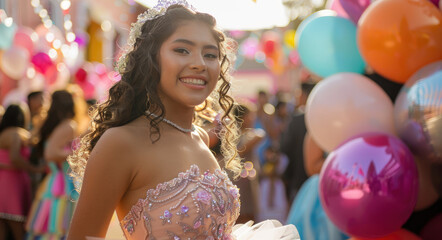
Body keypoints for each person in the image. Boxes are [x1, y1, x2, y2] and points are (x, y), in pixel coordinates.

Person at [67, 1, 299, 240]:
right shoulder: (121, 142)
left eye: (210, 54)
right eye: (182, 50)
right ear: (151, 59)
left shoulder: (199, 136)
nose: (199, 63)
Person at [26, 90, 79, 239]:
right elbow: (50, 153)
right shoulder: (68, 126)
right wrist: (77, 154)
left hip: (52, 182)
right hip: (61, 184)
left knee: (48, 225)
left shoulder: (52, 124)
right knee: (56, 227)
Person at [0, 104, 42, 240]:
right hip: (13, 182)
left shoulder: (3, 133)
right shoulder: (18, 133)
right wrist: (34, 168)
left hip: (3, 180)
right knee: (18, 228)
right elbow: (15, 157)